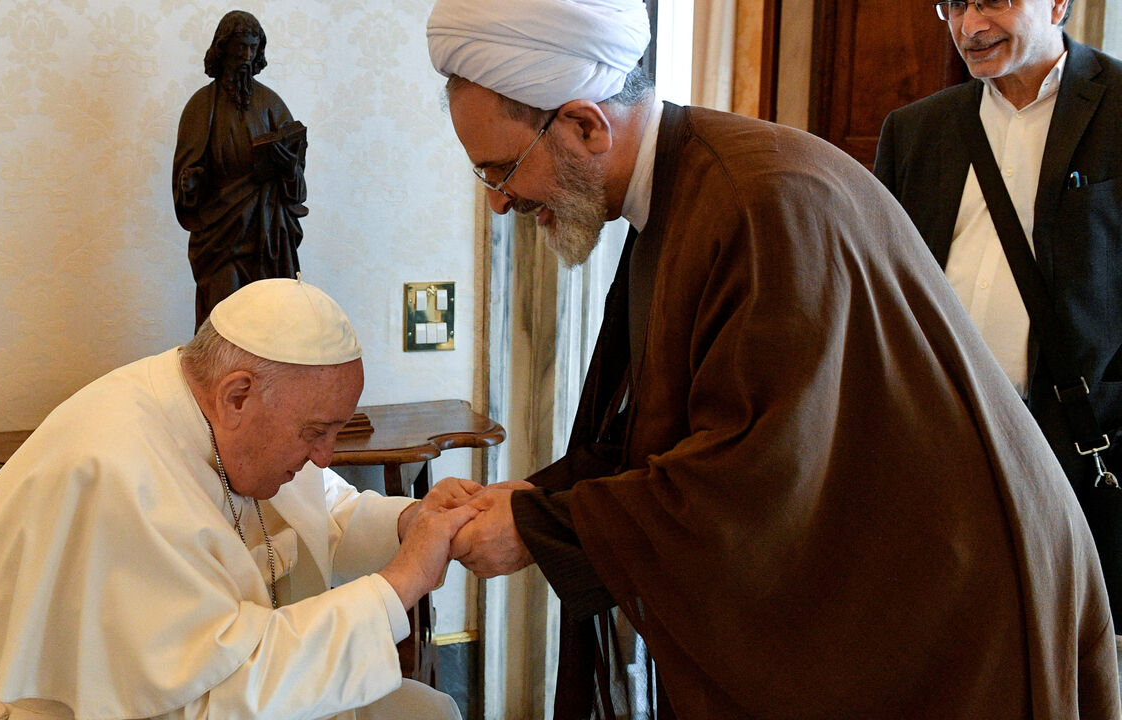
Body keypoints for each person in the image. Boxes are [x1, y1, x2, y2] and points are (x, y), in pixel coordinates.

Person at [425, 0, 1119, 717]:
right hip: (898, 585)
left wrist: (544, 527)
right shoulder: (673, 192)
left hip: (953, 606)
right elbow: (655, 434)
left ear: (584, 125)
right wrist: (532, 501)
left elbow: (760, 479)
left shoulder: (758, 203)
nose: (501, 204)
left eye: (499, 171)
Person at [0, 278, 477, 720]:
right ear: (238, 394)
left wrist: (411, 520)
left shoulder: (209, 407)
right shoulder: (117, 475)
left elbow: (321, 511)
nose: (324, 456)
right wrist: (405, 580)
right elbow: (212, 696)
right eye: (315, 432)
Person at [874, 0, 1122, 629]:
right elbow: (880, 295)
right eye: (953, 5)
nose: (969, 27)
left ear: (1059, 3)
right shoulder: (915, 130)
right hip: (940, 445)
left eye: (991, 1)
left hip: (1078, 450)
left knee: (1065, 652)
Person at [174, 10, 309, 332]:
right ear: (223, 48)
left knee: (267, 321)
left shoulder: (270, 104)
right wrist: (190, 184)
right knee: (223, 319)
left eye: (252, 48)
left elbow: (296, 176)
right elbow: (186, 172)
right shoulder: (201, 106)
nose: (246, 56)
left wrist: (287, 164)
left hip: (267, 228)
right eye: (239, 47)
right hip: (220, 231)